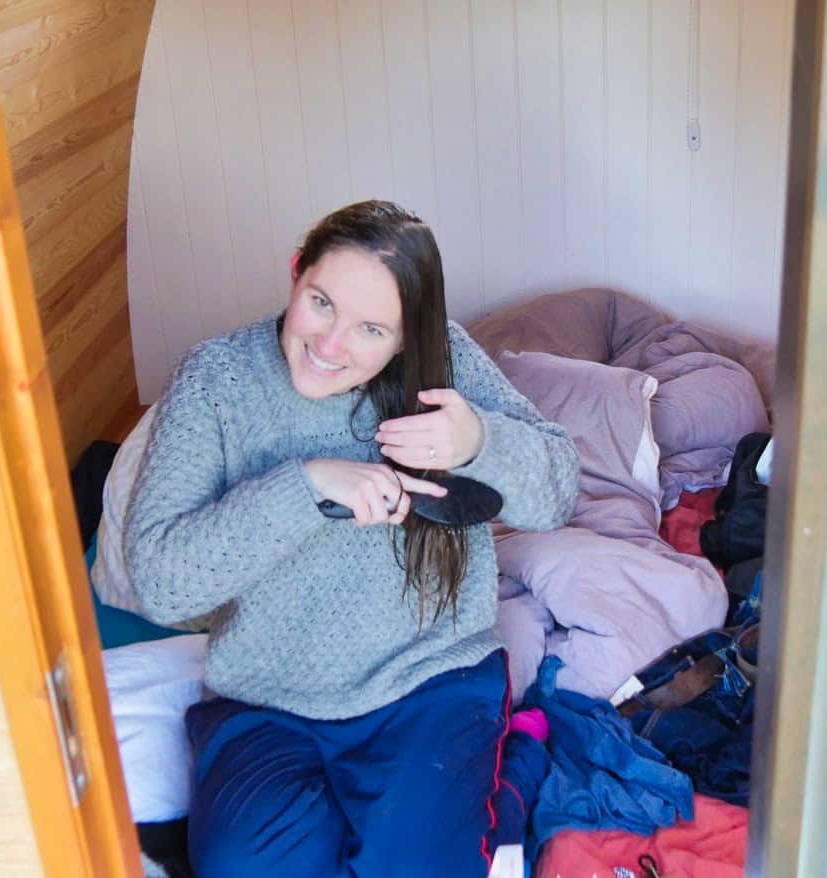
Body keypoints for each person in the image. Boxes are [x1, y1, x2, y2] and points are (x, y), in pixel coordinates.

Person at [125, 200, 580, 877]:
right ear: (294, 272)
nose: (332, 344)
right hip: (267, 701)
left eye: (372, 329)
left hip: (428, 684)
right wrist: (305, 484)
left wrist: (479, 440)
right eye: (321, 303)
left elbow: (557, 493)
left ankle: (515, 760)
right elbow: (158, 581)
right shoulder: (216, 380)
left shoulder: (443, 362)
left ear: (406, 337)